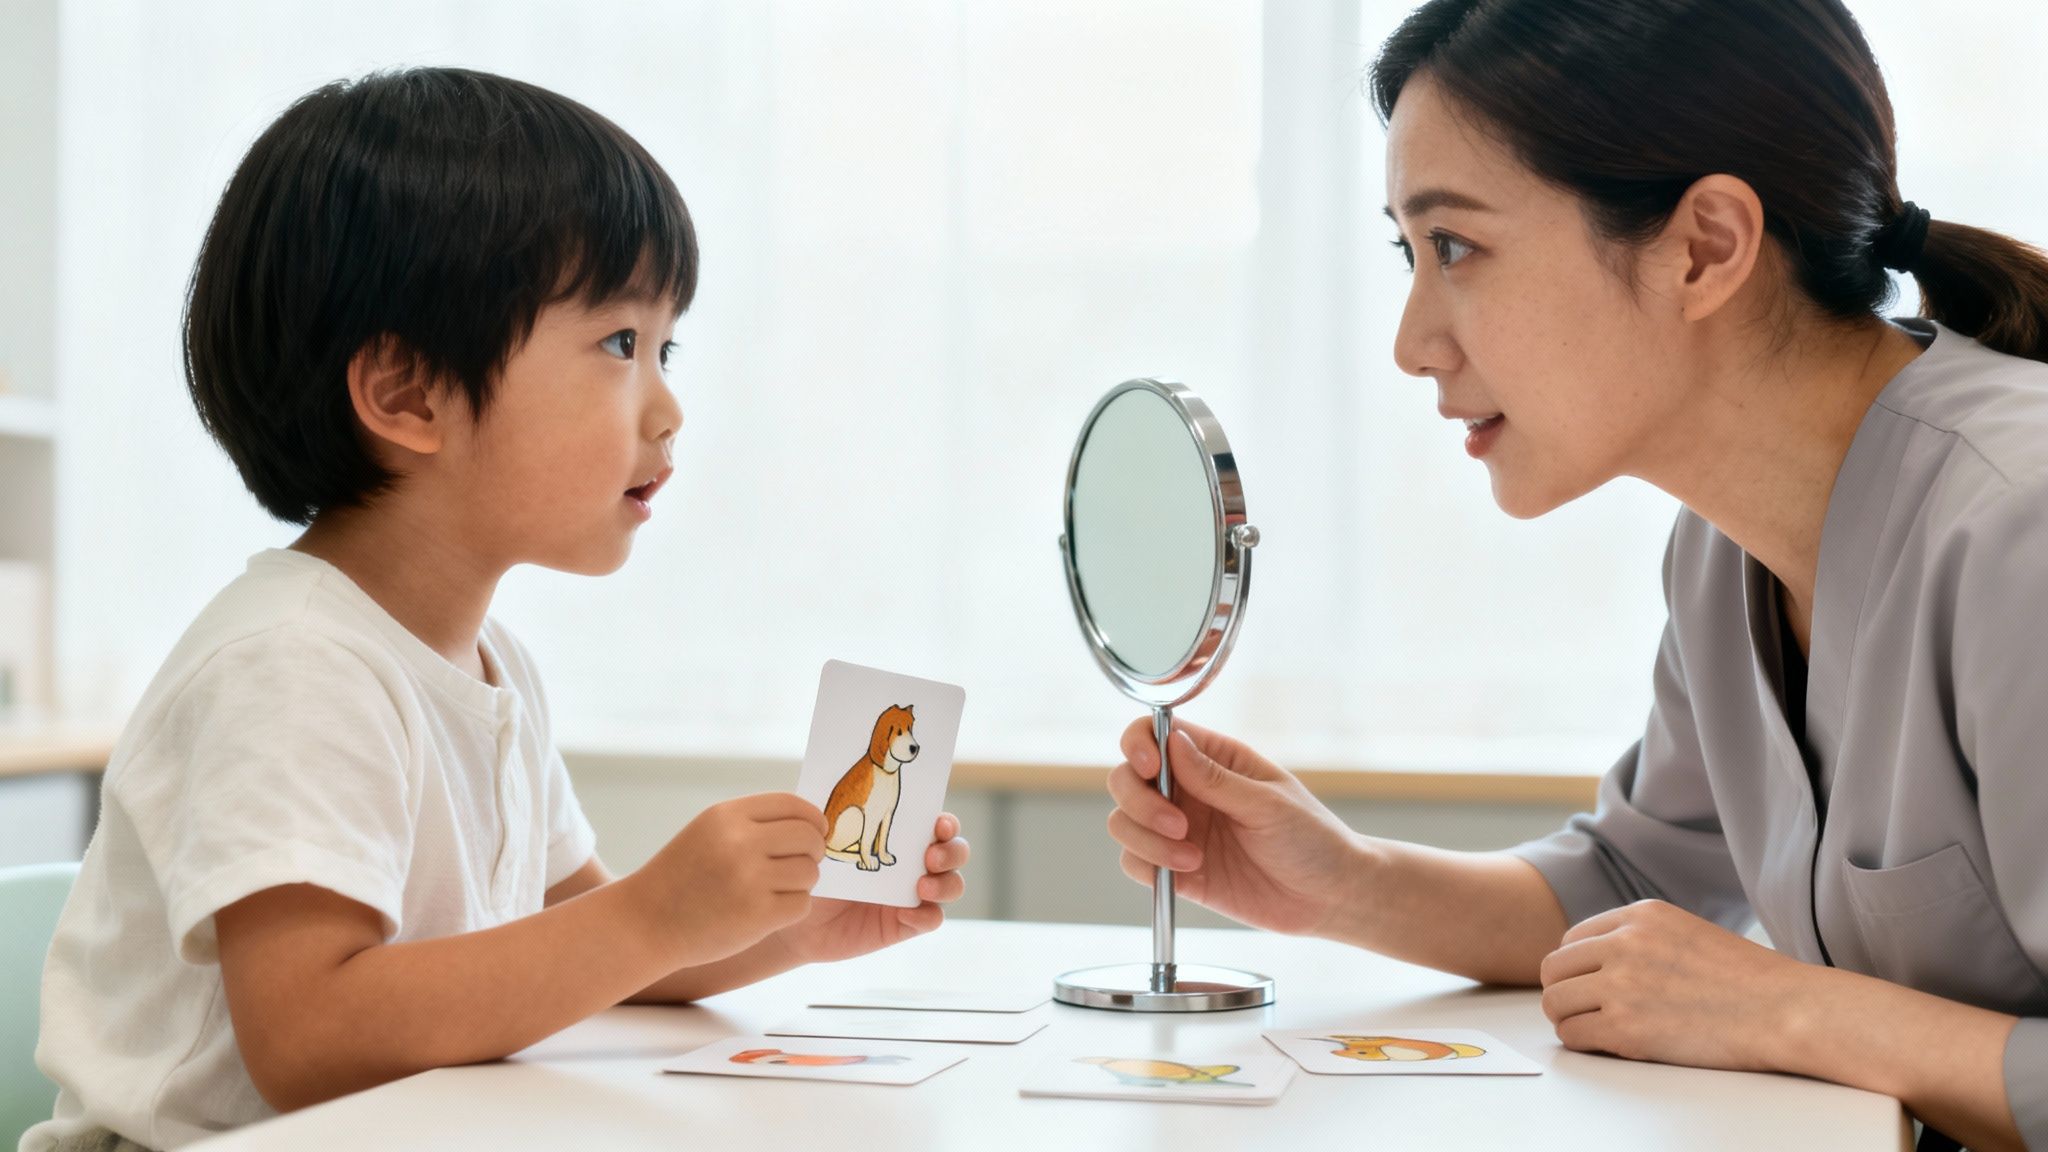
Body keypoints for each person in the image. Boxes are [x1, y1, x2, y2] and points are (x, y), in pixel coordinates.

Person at [1104, 3, 2048, 1149]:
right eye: (1410, 253)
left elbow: (1729, 980)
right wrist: (1336, 883)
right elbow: (1629, 877)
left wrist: (1781, 1009)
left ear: (1703, 246)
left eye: (1453, 246)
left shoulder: (2017, 528)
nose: (1410, 340)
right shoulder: (1724, 547)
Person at [23, 67, 970, 1152]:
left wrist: (785, 927)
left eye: (668, 349)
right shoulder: (291, 665)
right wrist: (653, 910)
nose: (666, 407)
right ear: (407, 395)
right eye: (619, 344)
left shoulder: (490, 666)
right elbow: (309, 1037)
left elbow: (592, 956)